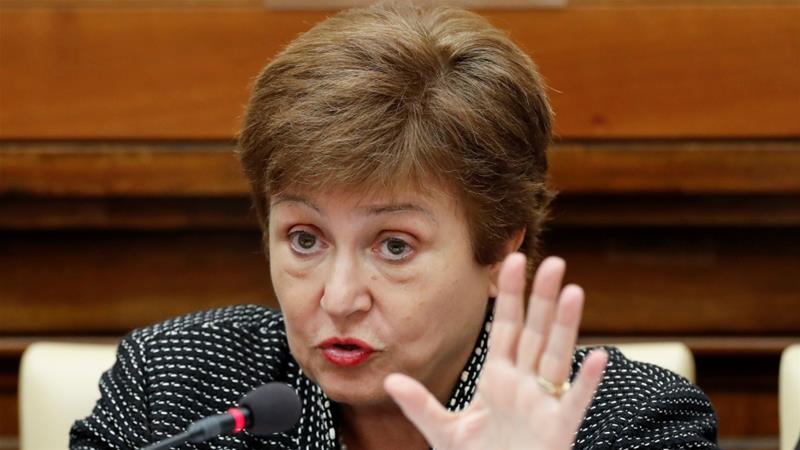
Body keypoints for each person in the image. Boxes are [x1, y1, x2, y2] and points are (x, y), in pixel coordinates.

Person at [70, 2, 719, 449]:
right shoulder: (179, 388)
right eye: (305, 239)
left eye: (394, 245)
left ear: (498, 250)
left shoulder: (632, 422)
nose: (339, 298)